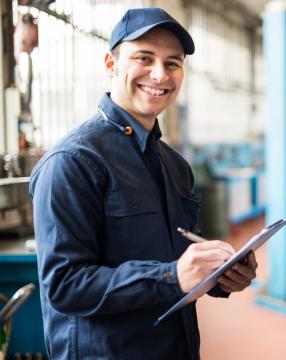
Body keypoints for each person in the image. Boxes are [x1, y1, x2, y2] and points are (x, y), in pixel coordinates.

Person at [29, 7, 257, 360]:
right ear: (110, 64)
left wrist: (220, 276)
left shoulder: (175, 166)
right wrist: (170, 276)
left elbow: (177, 259)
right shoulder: (73, 163)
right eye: (144, 58)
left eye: (172, 63)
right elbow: (65, 286)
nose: (159, 74)